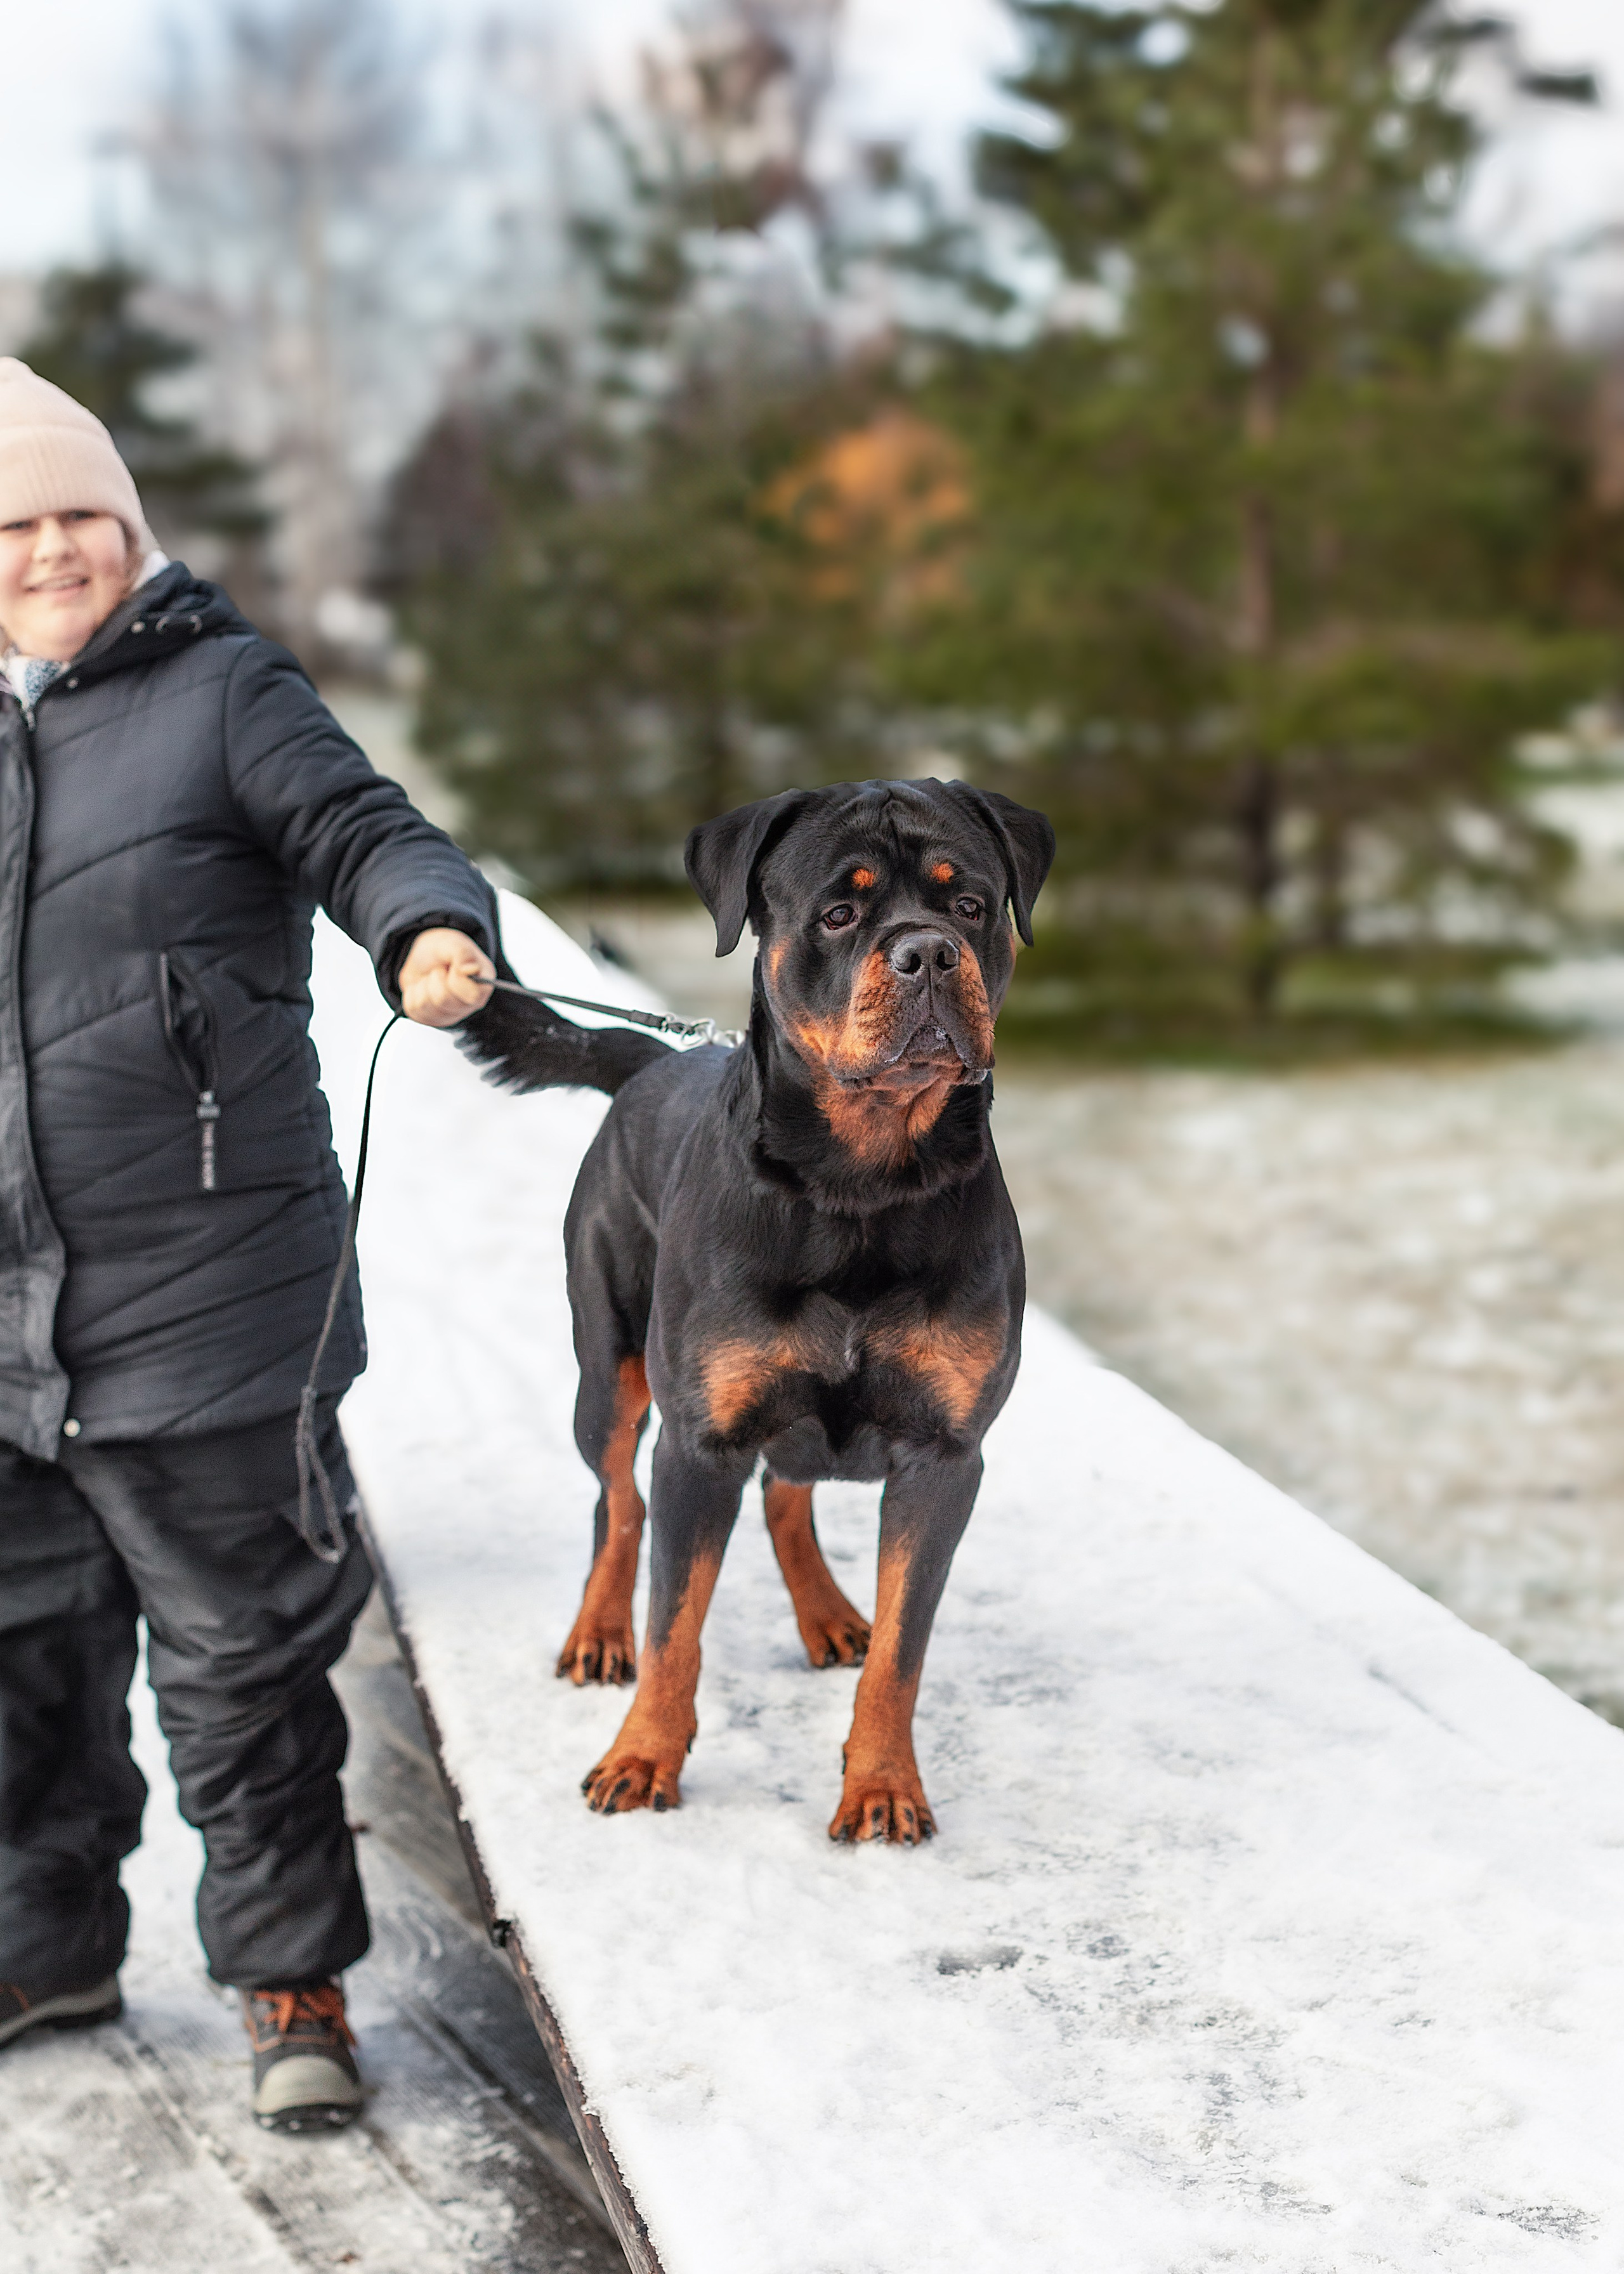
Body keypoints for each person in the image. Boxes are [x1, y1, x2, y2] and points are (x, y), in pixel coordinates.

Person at [0, 357, 499, 2132]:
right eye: (15, 524)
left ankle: (294, 1981)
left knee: (244, 1667)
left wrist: (425, 927)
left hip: (207, 1290)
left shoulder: (222, 687)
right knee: (23, 1660)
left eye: (84, 514)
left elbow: (366, 829)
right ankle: (46, 1945)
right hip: (4, 1318)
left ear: (131, 527)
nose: (54, 549)